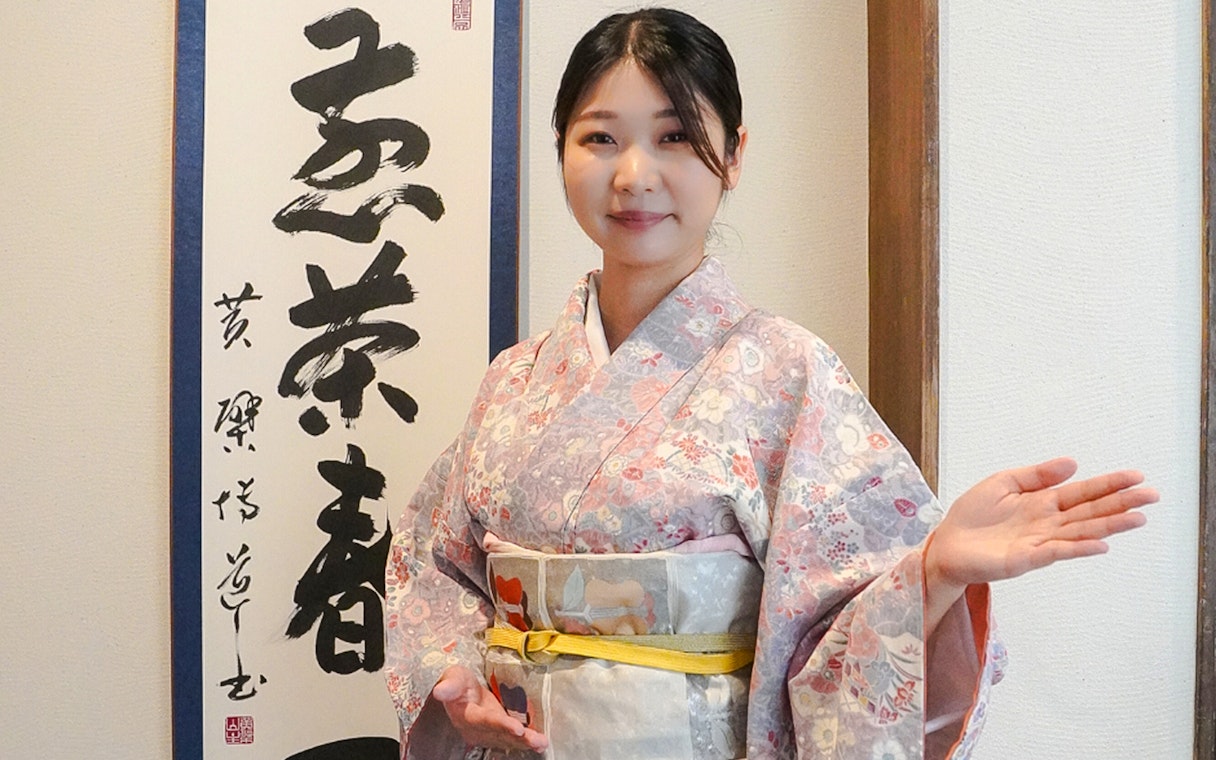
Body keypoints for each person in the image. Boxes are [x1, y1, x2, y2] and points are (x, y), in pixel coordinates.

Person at [383, 8, 1156, 759]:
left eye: (675, 136)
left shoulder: (788, 375)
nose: (634, 174)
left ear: (736, 153)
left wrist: (936, 569)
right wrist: (456, 677)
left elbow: (837, 637)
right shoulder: (514, 381)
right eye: (600, 138)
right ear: (562, 150)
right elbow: (432, 563)